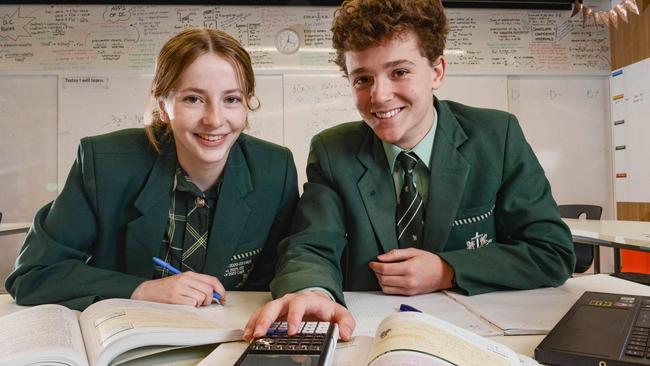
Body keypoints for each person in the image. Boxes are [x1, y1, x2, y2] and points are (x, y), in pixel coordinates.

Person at [244, 0, 574, 341]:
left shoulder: (496, 136)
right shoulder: (333, 151)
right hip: (367, 339)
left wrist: (447, 270)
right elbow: (311, 246)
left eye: (399, 72)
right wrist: (312, 292)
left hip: (480, 337)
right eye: (362, 79)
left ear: (437, 72)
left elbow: (552, 251)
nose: (380, 95)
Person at [5, 28, 298, 311]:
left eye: (231, 99)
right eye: (193, 99)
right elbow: (33, 276)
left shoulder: (275, 169)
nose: (214, 119)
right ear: (163, 106)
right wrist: (142, 289)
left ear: (247, 104)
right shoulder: (105, 163)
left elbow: (282, 274)